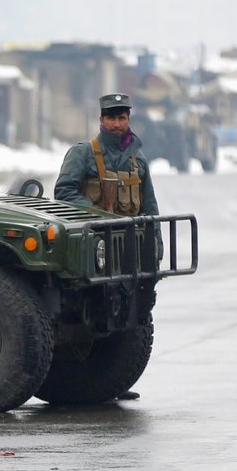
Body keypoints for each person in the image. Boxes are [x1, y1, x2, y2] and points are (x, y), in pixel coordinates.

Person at [53, 92, 159, 401]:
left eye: (121, 118)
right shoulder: (84, 154)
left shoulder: (138, 161)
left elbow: (149, 206)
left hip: (129, 249)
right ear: (101, 120)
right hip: (94, 248)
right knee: (96, 308)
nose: (116, 123)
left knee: (130, 313)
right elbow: (64, 192)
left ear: (128, 120)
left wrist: (154, 244)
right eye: (111, 118)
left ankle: (116, 380)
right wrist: (97, 214)